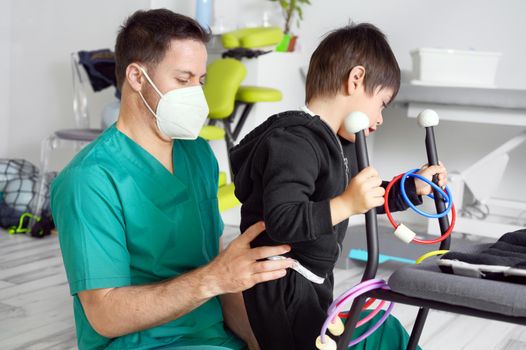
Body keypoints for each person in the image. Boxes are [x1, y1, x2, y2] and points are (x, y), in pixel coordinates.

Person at [51, 9, 294, 350]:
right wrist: (212, 280)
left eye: (201, 81)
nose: (196, 93)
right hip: (143, 344)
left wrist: (263, 342)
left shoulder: (197, 154)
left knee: (373, 332)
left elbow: (219, 274)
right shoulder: (88, 181)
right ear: (136, 77)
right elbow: (104, 315)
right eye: (183, 80)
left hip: (214, 337)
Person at [230, 23, 446, 349]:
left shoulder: (339, 144)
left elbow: (363, 195)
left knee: (371, 333)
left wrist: (413, 188)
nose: (381, 118)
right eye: (382, 103)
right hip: (279, 285)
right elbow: (283, 218)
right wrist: (346, 204)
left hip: (311, 282)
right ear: (355, 79)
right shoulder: (293, 141)